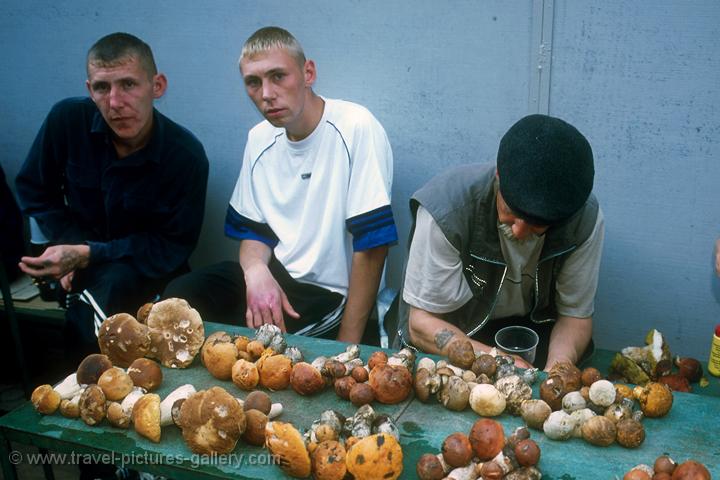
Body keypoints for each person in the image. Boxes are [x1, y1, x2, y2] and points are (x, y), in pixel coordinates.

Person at [164, 26, 397, 344]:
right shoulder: (259, 138)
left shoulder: (356, 127)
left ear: (308, 72)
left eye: (278, 76)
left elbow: (372, 247)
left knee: (253, 347)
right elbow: (253, 233)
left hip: (329, 296)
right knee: (181, 297)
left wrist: (346, 347)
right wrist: (256, 271)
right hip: (276, 277)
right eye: (253, 82)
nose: (266, 94)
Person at [15, 32, 209, 354]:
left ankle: (87, 380)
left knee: (115, 285)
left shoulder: (184, 155)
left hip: (145, 270)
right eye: (103, 88)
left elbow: (170, 247)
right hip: (81, 262)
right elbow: (33, 189)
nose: (116, 103)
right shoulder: (67, 122)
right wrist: (70, 245)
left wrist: (87, 253)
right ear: (89, 91)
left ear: (157, 86)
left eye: (129, 84)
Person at [392, 114, 604, 371]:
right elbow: (421, 323)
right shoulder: (447, 210)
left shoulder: (583, 219)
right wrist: (501, 361)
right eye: (511, 211)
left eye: (537, 225)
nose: (519, 231)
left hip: (532, 333)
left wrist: (556, 372)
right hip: (456, 327)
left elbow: (575, 317)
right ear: (499, 175)